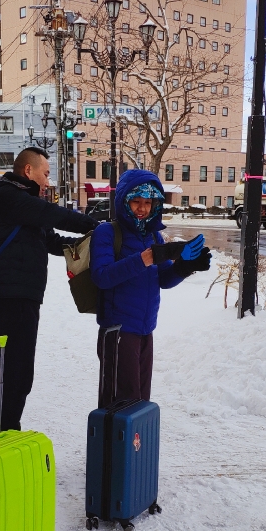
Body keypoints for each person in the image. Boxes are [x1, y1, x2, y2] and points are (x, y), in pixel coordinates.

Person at [0, 148, 96, 431]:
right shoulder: (8, 196)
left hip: (22, 295)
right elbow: (51, 214)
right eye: (46, 174)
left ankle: (8, 426)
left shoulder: (23, 205)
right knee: (17, 368)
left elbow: (51, 241)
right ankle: (7, 430)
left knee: (18, 366)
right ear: (28, 171)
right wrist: (91, 224)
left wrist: (89, 241)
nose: (48, 181)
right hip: (11, 296)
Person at [90, 168, 211, 404]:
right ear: (123, 200)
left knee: (140, 402)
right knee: (120, 401)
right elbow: (102, 277)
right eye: (136, 201)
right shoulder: (107, 232)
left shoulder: (153, 236)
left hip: (145, 330)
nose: (142, 208)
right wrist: (145, 258)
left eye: (148, 202)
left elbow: (163, 279)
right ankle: (110, 442)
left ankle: (136, 443)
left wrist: (185, 267)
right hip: (117, 331)